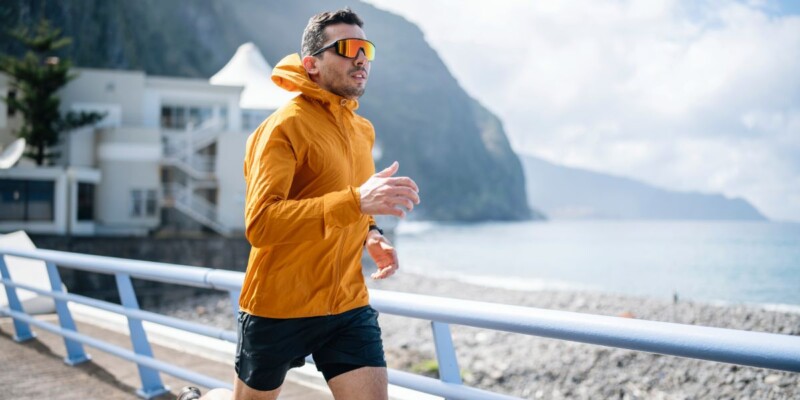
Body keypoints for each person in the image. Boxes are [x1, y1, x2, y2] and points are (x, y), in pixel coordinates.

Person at [180, 7, 420, 400]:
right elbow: (262, 223)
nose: (361, 57)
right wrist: (357, 201)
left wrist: (371, 233)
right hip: (278, 306)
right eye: (347, 47)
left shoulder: (362, 130)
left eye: (367, 48)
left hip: (346, 304)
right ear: (311, 64)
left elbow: (353, 200)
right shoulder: (281, 128)